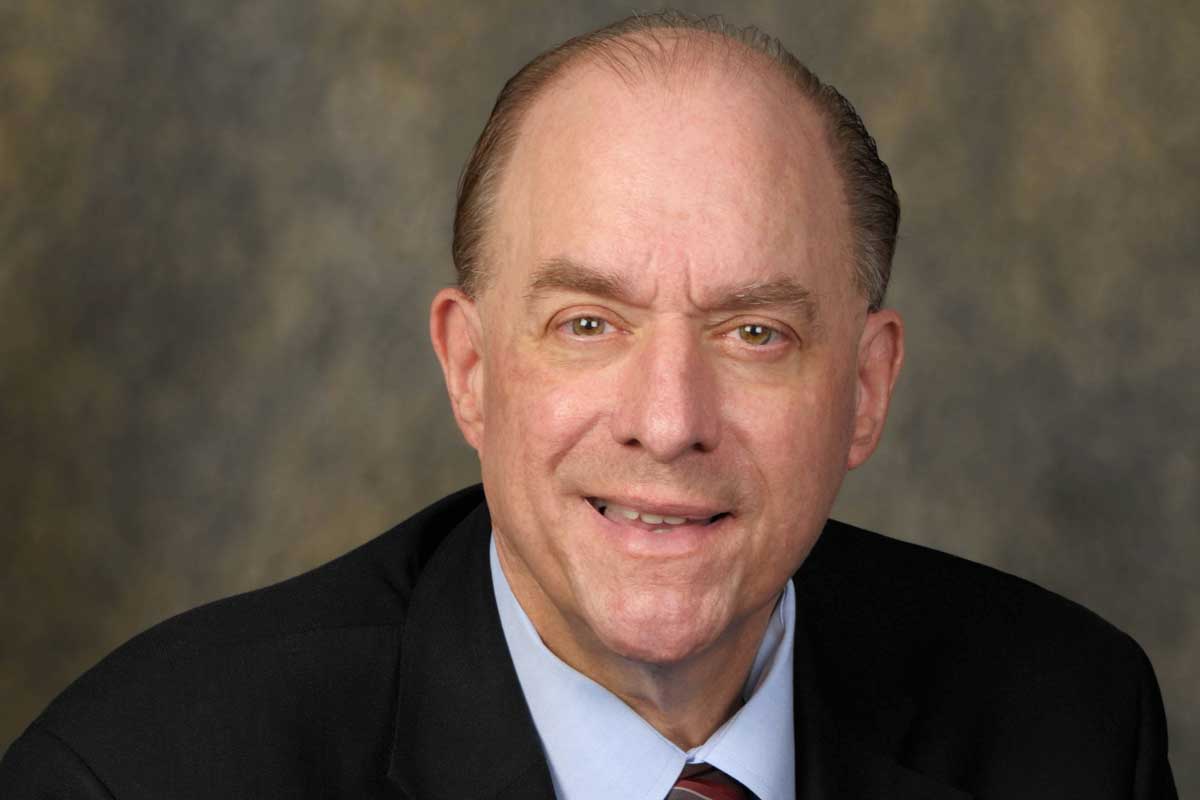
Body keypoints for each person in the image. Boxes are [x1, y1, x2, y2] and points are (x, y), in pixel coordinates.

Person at [0, 11, 1177, 800]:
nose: (668, 420)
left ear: (865, 390)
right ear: (469, 369)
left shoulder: (1071, 726)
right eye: (588, 324)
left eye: (754, 331)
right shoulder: (146, 771)